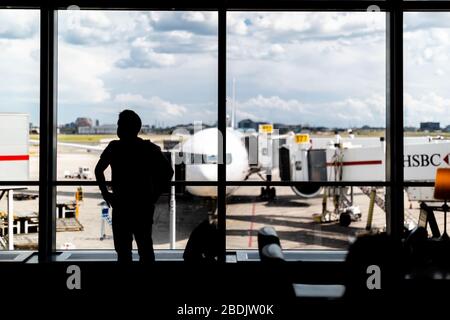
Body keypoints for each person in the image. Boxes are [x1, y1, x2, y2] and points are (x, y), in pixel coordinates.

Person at [95, 110, 174, 263]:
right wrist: (154, 195)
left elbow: (98, 170)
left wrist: (105, 193)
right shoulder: (149, 148)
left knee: (123, 252)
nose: (118, 129)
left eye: (119, 125)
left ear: (125, 128)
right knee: (145, 248)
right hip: (143, 206)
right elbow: (168, 171)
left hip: (121, 205)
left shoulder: (114, 147)